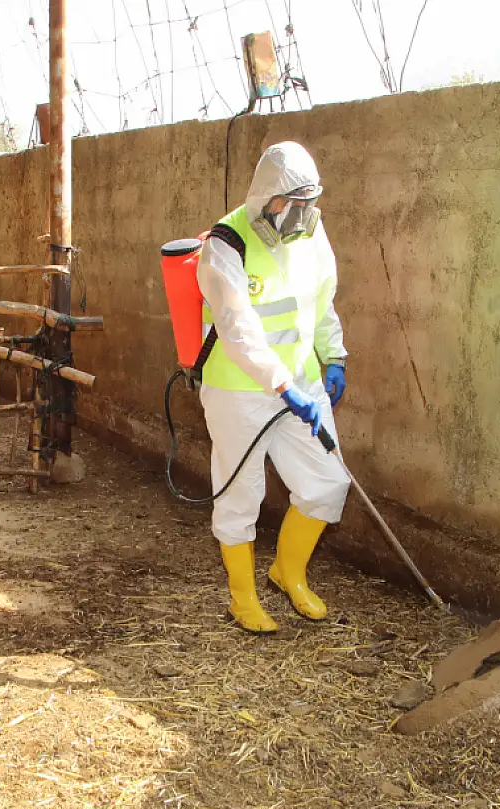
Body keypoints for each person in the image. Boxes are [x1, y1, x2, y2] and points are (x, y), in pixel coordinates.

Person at [195, 142, 350, 634]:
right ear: (267, 198)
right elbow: (238, 331)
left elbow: (321, 300)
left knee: (328, 482)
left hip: (301, 384)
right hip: (238, 389)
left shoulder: (312, 231)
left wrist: (334, 353)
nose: (301, 215)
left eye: (308, 204)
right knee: (242, 494)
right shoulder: (225, 243)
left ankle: (289, 573)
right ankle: (243, 597)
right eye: (291, 204)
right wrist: (282, 384)